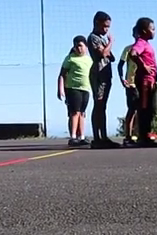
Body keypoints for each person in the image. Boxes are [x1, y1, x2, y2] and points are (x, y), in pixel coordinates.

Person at [86, 11, 121, 149]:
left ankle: (104, 136)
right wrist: (111, 42)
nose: (106, 30)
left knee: (103, 106)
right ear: (97, 23)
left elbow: (111, 57)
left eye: (108, 27)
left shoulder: (102, 39)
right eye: (104, 26)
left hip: (106, 74)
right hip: (98, 74)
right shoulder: (93, 38)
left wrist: (108, 45)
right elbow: (103, 54)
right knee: (98, 104)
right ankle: (97, 137)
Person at [129, 17, 157, 147]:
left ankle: (146, 135)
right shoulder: (141, 42)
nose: (154, 31)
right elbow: (133, 53)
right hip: (144, 81)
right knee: (145, 107)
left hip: (150, 81)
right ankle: (142, 137)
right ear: (144, 30)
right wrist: (143, 66)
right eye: (152, 29)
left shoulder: (147, 44)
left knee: (150, 108)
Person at [57, 36, 93, 146]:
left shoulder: (89, 59)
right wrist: (60, 89)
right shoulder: (70, 58)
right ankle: (73, 137)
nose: (79, 48)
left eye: (81, 46)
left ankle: (81, 137)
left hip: (86, 88)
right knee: (75, 112)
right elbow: (62, 74)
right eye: (76, 46)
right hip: (73, 88)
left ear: (86, 47)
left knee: (82, 113)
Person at [117, 36, 139, 145]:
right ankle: (128, 136)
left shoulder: (147, 48)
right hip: (131, 83)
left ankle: (141, 135)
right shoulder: (128, 49)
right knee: (132, 109)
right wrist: (122, 78)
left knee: (143, 110)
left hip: (143, 84)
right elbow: (120, 64)